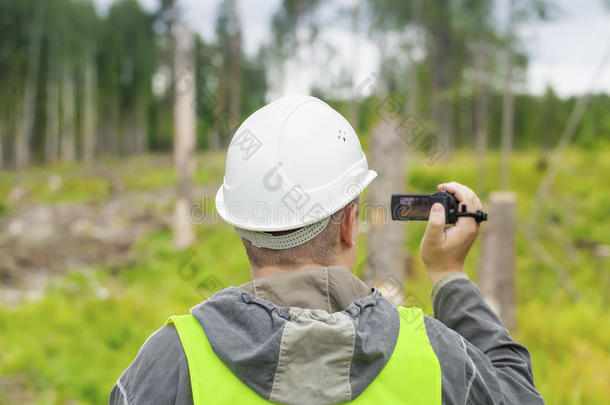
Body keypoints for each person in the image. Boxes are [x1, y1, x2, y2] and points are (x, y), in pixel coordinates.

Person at [110, 95, 544, 405]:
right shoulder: (437, 357)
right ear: (350, 224)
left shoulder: (172, 361)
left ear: (241, 225)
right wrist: (450, 277)